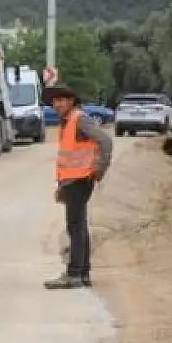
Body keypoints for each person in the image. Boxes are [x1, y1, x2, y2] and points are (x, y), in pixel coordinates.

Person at [43, 83, 113, 290]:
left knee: (75, 227)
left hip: (81, 179)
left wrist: (100, 168)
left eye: (61, 100)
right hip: (73, 181)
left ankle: (74, 274)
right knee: (79, 226)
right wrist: (61, 186)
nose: (57, 104)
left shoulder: (79, 119)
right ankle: (82, 274)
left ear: (71, 101)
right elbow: (68, 157)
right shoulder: (68, 121)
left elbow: (106, 141)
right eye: (55, 101)